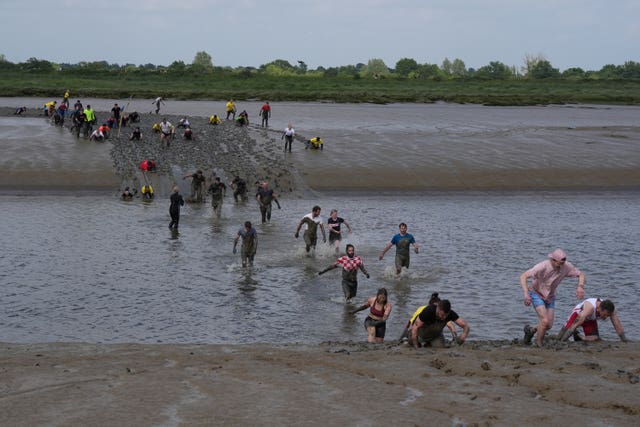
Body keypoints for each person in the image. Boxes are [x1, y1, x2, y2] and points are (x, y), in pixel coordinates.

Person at [520, 248, 586, 347]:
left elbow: (580, 274)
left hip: (550, 297)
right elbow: (523, 276)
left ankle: (531, 330)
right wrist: (526, 294)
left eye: (563, 263)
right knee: (544, 321)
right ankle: (539, 345)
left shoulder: (566, 266)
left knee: (549, 325)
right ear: (552, 260)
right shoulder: (543, 266)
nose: (561, 266)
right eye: (559, 263)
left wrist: (580, 287)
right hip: (536, 293)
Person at [558, 298, 627, 342]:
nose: (606, 317)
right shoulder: (590, 308)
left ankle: (579, 336)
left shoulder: (611, 310)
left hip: (590, 319)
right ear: (599, 309)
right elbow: (574, 325)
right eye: (604, 315)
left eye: (608, 315)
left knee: (596, 339)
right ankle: (564, 337)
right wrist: (563, 341)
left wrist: (624, 340)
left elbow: (617, 324)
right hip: (578, 315)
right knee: (561, 337)